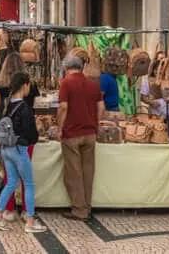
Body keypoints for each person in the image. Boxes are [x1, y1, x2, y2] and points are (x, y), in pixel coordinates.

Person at [0, 72, 47, 233]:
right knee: (28, 184)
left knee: (11, 182)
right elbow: (31, 134)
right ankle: (30, 221)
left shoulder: (8, 105)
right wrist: (33, 137)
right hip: (19, 150)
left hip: (6, 149)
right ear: (25, 85)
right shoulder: (25, 108)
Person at [57, 55, 105, 221]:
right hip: (90, 133)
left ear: (66, 67)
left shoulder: (66, 83)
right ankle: (87, 206)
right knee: (88, 171)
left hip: (72, 133)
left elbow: (63, 107)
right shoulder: (93, 84)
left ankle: (79, 210)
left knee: (74, 173)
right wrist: (95, 124)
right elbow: (101, 107)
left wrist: (59, 127)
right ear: (81, 67)